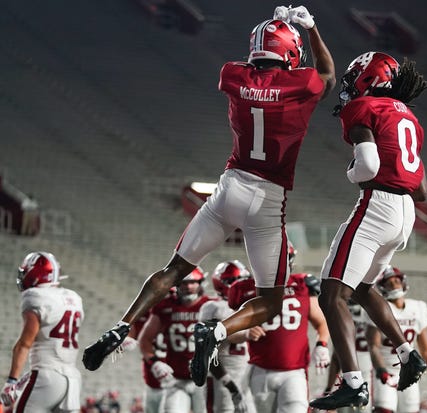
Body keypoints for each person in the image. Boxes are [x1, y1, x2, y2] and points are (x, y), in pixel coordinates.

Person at [82, 4, 335, 382]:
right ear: (290, 52)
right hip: (268, 200)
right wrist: (310, 28)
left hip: (229, 188)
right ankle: (217, 331)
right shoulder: (299, 84)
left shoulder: (232, 74)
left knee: (174, 270)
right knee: (270, 300)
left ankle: (123, 325)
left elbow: (254, 69)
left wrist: (275, 29)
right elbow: (328, 75)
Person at [309, 51, 427, 410]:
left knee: (331, 296)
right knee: (362, 288)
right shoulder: (410, 118)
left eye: (354, 78)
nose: (349, 86)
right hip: (406, 213)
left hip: (378, 206)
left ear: (369, 79)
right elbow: (422, 190)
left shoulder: (365, 108)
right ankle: (409, 353)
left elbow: (367, 165)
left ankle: (353, 382)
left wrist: (352, 172)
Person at [227, 248, 331, 413]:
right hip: (260, 370)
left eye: (282, 259)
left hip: (294, 372)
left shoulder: (302, 284)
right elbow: (229, 333)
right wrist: (246, 332)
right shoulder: (244, 288)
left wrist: (322, 343)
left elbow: (321, 322)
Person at [1, 251, 84, 413]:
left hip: (46, 378)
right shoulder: (74, 298)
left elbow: (25, 344)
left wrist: (12, 381)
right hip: (72, 381)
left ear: (36, 273)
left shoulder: (35, 296)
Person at [367, 266, 427, 413]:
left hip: (410, 372)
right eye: (389, 282)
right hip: (387, 370)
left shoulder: (417, 307)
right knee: (384, 410)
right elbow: (374, 346)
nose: (394, 284)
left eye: (396, 280)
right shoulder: (379, 308)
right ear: (382, 286)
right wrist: (381, 371)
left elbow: (425, 349)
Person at [137, 268, 211, 413]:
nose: (189, 287)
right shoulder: (165, 306)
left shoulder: (211, 306)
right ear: (176, 284)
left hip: (207, 380)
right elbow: (145, 340)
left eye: (193, 282)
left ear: (201, 283)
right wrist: (155, 363)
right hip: (177, 380)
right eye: (184, 283)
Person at [199, 260, 255, 413]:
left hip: (246, 375)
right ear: (220, 283)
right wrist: (227, 382)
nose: (238, 284)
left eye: (242, 280)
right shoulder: (213, 307)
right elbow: (208, 349)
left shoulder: (252, 306)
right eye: (232, 281)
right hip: (222, 377)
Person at [120, 290, 174, 413]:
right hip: (152, 382)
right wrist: (125, 339)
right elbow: (129, 333)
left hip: (176, 381)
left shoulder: (179, 312)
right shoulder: (143, 314)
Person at [319, 298, 374, 413]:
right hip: (352, 380)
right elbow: (336, 357)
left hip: (366, 378)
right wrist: (329, 389)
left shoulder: (373, 314)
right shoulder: (375, 312)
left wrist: (329, 389)